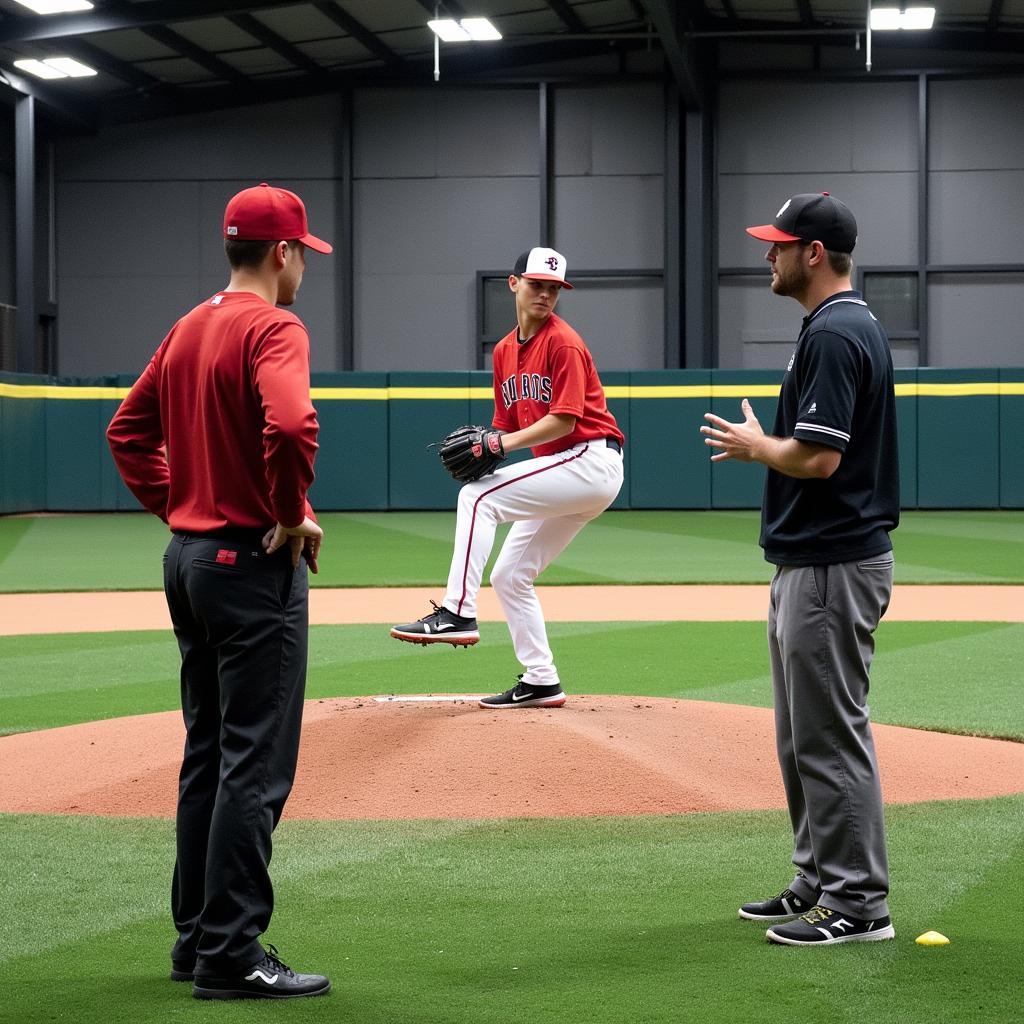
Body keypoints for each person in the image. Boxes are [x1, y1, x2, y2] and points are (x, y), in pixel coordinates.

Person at [107, 182, 333, 998]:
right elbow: (292, 423)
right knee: (255, 763)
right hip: (248, 565)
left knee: (208, 753)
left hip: (189, 559)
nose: (305, 266)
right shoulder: (274, 324)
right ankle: (233, 953)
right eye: (303, 252)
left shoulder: (190, 324)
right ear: (282, 253)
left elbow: (126, 431)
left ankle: (197, 940)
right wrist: (287, 512)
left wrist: (180, 506)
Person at [700, 193, 900, 946]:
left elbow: (819, 457)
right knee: (799, 735)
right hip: (815, 561)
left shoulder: (837, 333)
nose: (768, 255)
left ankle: (859, 903)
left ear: (813, 253)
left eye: (779, 245)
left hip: (832, 563)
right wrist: (767, 444)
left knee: (828, 734)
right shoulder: (840, 326)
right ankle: (818, 877)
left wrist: (759, 447)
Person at [390, 247, 624, 709]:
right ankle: (542, 680)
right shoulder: (503, 352)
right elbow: (505, 426)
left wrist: (501, 447)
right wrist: (489, 446)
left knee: (477, 498)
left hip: (589, 460)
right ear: (513, 283)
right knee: (510, 575)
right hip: (568, 470)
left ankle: (458, 612)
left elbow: (563, 419)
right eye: (537, 284)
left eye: (554, 288)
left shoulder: (564, 343)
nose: (546, 294)